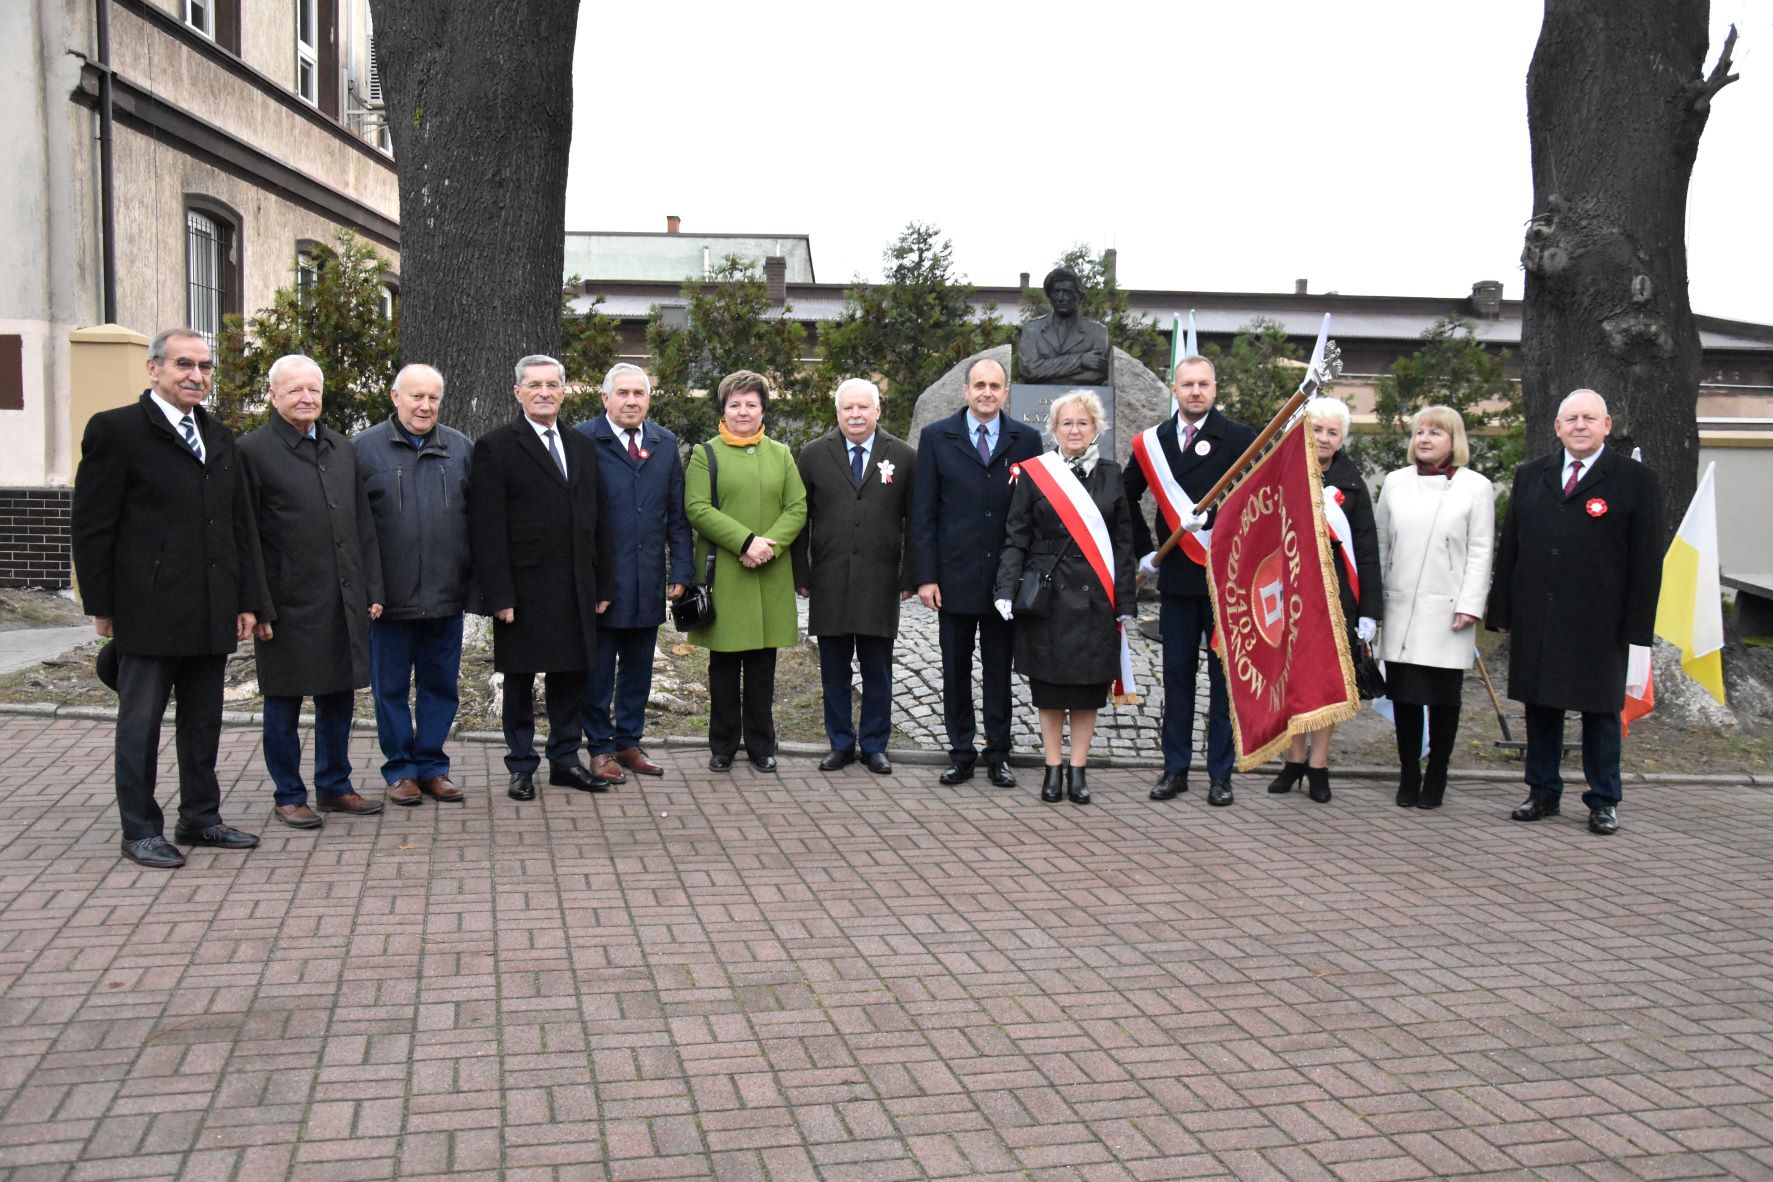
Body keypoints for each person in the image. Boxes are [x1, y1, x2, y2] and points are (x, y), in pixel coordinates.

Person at [70, 327, 263, 868]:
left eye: (204, 367)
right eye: (184, 364)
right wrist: (101, 606)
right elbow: (92, 526)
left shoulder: (220, 436)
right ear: (154, 369)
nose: (196, 376)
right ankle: (140, 829)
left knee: (203, 723)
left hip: (211, 609)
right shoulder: (117, 431)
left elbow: (237, 525)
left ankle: (201, 818)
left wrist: (246, 598)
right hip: (147, 607)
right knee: (141, 725)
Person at [1486, 389, 1661, 835]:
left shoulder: (1634, 480)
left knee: (1600, 713)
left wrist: (1638, 625)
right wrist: (1501, 607)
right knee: (1541, 706)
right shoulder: (1531, 475)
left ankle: (1603, 799)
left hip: (1601, 621)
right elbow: (1512, 547)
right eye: (1571, 418)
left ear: (1608, 426)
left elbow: (1646, 559)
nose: (1579, 425)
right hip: (1538, 614)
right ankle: (1541, 791)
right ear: (1557, 427)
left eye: (1589, 417)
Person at [238, 355, 384, 828]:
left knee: (338, 696)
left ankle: (335, 785)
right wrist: (256, 603)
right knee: (283, 701)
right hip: (284, 603)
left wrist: (372, 588)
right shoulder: (252, 452)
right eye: (295, 390)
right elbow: (247, 536)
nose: (306, 398)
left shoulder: (342, 448)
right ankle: (288, 793)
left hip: (341, 597)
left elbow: (363, 525)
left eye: (313, 390)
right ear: (273, 394)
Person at [468, 355, 615, 802]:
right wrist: (498, 595)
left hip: (575, 585)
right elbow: (486, 529)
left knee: (571, 676)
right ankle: (521, 766)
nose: (545, 392)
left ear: (565, 390)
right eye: (534, 385)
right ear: (518, 393)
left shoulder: (582, 445)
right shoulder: (495, 447)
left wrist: (603, 585)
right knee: (519, 680)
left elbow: (600, 520)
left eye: (553, 384)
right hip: (523, 589)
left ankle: (566, 761)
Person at [1125, 356, 1257, 806]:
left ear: (1215, 389)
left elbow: (1260, 499)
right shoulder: (1153, 442)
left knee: (1223, 683)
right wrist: (1145, 548)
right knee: (1177, 678)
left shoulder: (1240, 438)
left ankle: (1222, 774)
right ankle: (1174, 769)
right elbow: (1127, 495)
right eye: (1187, 385)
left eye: (1203, 384)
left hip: (1227, 582)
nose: (1195, 392)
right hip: (1178, 581)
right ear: (1174, 390)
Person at [991, 390, 1135, 804]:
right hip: (1048, 600)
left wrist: (1125, 602)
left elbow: (1123, 545)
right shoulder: (1036, 474)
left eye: (1083, 423)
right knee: (1050, 691)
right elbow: (1016, 536)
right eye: (1067, 423)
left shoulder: (1111, 474)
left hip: (1095, 600)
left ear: (1096, 429)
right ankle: (1052, 768)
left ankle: (1078, 770)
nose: (1074, 430)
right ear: (1054, 429)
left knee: (1088, 691)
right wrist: (1006, 587)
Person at [910, 357, 1043, 787]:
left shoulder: (1027, 439)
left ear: (1006, 393)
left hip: (1005, 579)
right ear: (965, 391)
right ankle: (962, 751)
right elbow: (924, 513)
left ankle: (998, 753)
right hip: (954, 577)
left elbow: (1035, 513)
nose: (987, 392)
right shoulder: (936, 438)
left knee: (999, 670)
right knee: (955, 669)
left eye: (995, 386)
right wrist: (925, 576)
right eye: (979, 385)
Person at [353, 363, 472, 807]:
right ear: (395, 396)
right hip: (389, 600)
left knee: (441, 686)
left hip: (445, 595)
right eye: (416, 396)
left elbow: (474, 522)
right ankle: (400, 770)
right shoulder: (364, 450)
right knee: (390, 690)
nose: (425, 406)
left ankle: (433, 767)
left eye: (433, 398)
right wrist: (370, 590)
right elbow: (355, 528)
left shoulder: (460, 449)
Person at [792, 378, 918, 775]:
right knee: (834, 668)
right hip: (828, 578)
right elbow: (798, 519)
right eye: (848, 408)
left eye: (864, 407)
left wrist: (909, 574)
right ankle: (841, 742)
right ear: (838, 412)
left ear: (878, 411)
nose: (856, 414)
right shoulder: (812, 455)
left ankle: (876, 744)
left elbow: (916, 522)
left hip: (880, 580)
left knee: (877, 667)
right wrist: (801, 571)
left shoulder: (903, 456)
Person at [572, 364, 692, 783]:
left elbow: (677, 514)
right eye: (622, 393)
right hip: (601, 581)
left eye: (638, 393)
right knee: (599, 670)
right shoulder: (583, 441)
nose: (631, 401)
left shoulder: (664, 443)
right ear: (605, 398)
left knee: (640, 668)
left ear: (648, 399)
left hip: (646, 578)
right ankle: (600, 747)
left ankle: (629, 741)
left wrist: (681, 568)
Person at [684, 370, 808, 772]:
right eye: (735, 404)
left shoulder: (782, 454)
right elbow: (698, 508)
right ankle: (722, 745)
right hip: (726, 574)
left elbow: (797, 508)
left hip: (768, 572)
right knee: (722, 666)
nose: (743, 411)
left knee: (762, 667)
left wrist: (767, 546)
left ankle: (761, 745)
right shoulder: (708, 453)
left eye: (751, 404)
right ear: (723, 409)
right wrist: (745, 542)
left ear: (762, 410)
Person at [1374, 406, 1495, 810]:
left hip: (1448, 611)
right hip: (1401, 607)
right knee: (1405, 697)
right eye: (1420, 431)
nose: (1425, 439)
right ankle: (1409, 772)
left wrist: (1470, 604)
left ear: (1454, 440)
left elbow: (1480, 550)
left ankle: (1438, 773)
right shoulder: (1395, 483)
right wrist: (1376, 601)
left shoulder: (1476, 487)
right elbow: (1380, 543)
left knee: (1443, 699)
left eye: (1436, 433)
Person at [1269, 397, 1382, 804]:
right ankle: (1293, 760)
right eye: (1317, 430)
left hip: (1337, 601)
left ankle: (1318, 764)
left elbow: (1366, 549)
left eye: (1333, 432)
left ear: (1342, 438)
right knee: (1291, 679)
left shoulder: (1352, 483)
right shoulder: (1282, 474)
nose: (1324, 438)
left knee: (1329, 682)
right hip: (1288, 594)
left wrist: (1370, 610)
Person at [1017, 267, 1112, 386]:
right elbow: (1028, 370)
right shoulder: (1032, 329)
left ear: (1079, 295)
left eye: (1067, 292)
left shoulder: (1097, 332)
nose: (1061, 298)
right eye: (1056, 292)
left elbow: (1095, 375)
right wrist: (1080, 360)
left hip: (1082, 401)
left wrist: (1044, 373)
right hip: (1038, 400)